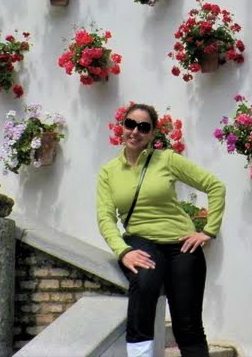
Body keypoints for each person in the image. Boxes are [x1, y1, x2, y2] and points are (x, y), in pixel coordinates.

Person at [96, 103, 226, 357]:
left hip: (181, 243)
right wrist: (123, 251)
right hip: (141, 240)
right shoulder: (108, 172)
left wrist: (208, 231)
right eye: (130, 124)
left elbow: (215, 186)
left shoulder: (166, 159)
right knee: (145, 282)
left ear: (153, 133)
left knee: (187, 323)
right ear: (121, 127)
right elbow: (105, 217)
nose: (135, 131)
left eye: (144, 127)